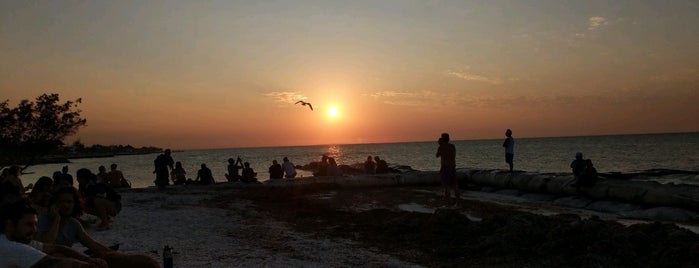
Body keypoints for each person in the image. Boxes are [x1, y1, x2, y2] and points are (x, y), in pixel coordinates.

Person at [35, 187, 158, 267]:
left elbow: (93, 245)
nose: (66, 205)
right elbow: (45, 246)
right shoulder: (42, 220)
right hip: (49, 262)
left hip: (71, 260)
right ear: (54, 204)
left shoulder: (73, 223)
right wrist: (56, 219)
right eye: (62, 202)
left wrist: (118, 256)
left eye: (69, 202)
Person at [0, 201, 109, 268]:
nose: (35, 230)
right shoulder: (11, 247)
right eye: (29, 225)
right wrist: (91, 266)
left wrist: (89, 260)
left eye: (35, 225)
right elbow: (57, 264)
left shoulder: (12, 240)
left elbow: (58, 248)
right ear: (9, 224)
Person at [436, 133, 460, 208]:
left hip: (445, 167)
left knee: (446, 186)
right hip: (452, 167)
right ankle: (458, 203)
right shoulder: (452, 146)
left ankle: (448, 204)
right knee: (455, 186)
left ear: (443, 139)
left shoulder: (441, 147)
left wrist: (440, 145)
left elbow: (437, 155)